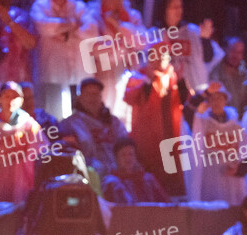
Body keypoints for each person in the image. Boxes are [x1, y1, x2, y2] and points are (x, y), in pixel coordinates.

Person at [123, 41, 184, 195]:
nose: (162, 58)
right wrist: (147, 82)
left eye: (165, 55)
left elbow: (187, 101)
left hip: (172, 137)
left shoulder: (174, 76)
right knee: (150, 178)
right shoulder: (139, 76)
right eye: (158, 55)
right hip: (148, 139)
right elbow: (129, 98)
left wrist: (182, 81)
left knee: (173, 178)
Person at [30, 0, 97, 118]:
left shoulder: (79, 6)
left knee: (80, 119)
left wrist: (62, 31)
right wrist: (74, 24)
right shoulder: (40, 5)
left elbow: (92, 31)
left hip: (79, 75)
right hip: (52, 75)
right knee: (54, 117)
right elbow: (44, 27)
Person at [0, 81, 44, 204]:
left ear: (21, 101)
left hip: (22, 186)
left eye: (15, 96)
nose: (11, 100)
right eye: (7, 96)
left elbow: (43, 152)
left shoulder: (30, 126)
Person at [59, 78, 129, 177]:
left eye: (96, 94)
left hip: (118, 176)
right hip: (89, 178)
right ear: (80, 97)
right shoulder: (69, 124)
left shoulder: (115, 123)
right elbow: (69, 157)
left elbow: (126, 147)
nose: (93, 98)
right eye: (88, 94)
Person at [101, 137, 171, 204]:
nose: (128, 158)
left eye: (131, 154)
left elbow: (166, 204)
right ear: (116, 158)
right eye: (123, 155)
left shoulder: (148, 179)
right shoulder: (111, 183)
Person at [209, 37, 247, 117]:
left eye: (239, 52)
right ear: (225, 50)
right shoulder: (214, 72)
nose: (235, 55)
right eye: (233, 50)